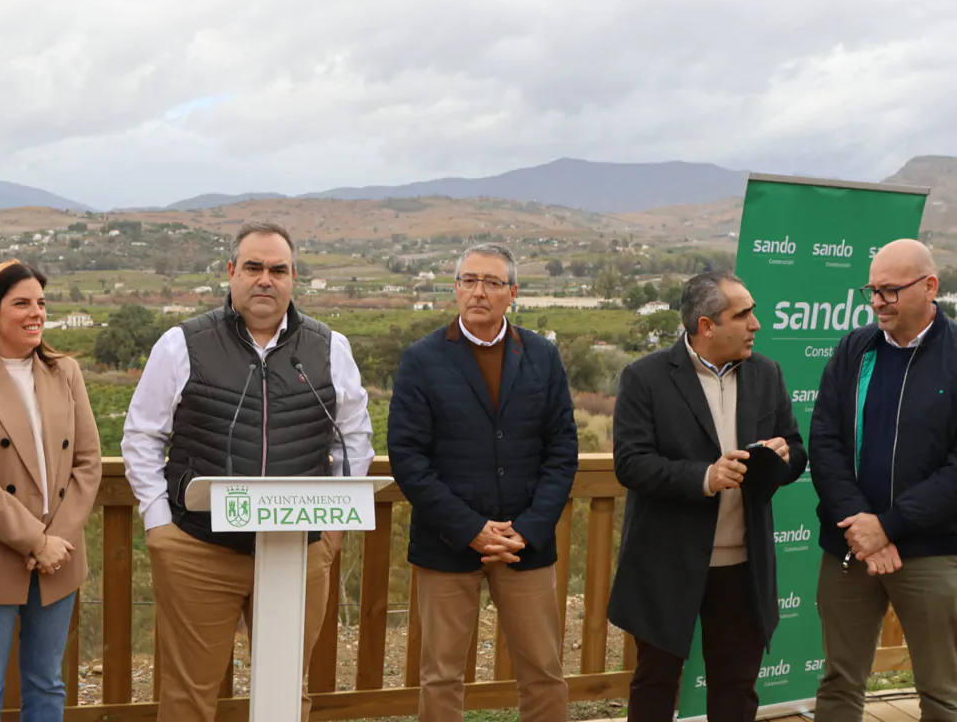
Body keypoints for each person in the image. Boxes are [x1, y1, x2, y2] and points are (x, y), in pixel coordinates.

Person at [121, 221, 375, 722]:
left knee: (285, 691)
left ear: (293, 278)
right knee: (189, 694)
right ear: (232, 273)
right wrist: (159, 525)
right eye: (254, 267)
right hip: (199, 548)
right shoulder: (181, 344)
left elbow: (355, 437)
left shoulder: (330, 348)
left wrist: (334, 529)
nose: (266, 279)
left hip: (297, 549)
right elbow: (142, 436)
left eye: (278, 269)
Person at [388, 243, 578, 722]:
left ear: (512, 293)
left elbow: (562, 451)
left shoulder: (542, 356)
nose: (479, 291)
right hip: (446, 544)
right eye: (469, 280)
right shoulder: (421, 359)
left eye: (492, 282)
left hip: (525, 546)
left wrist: (529, 529)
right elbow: (409, 459)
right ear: (455, 289)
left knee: (543, 671)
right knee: (441, 676)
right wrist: (471, 528)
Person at [608, 272, 806, 722]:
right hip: (666, 561)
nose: (756, 323)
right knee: (656, 682)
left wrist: (783, 456)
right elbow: (631, 464)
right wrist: (705, 477)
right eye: (744, 314)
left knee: (736, 688)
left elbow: (795, 449)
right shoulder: (645, 377)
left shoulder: (766, 373)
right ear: (706, 325)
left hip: (743, 566)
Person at [0, 260, 102, 721]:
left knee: (48, 683)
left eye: (41, 303)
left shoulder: (65, 371)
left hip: (58, 555)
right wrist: (35, 540)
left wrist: (57, 542)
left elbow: (88, 464)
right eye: (22, 303)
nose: (36, 313)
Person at [811, 239, 957, 720]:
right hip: (851, 546)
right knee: (839, 681)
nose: (876, 302)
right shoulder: (856, 347)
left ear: (929, 286)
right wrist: (863, 528)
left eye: (889, 291)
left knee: (943, 691)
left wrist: (890, 526)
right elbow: (825, 440)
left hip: (932, 550)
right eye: (872, 290)